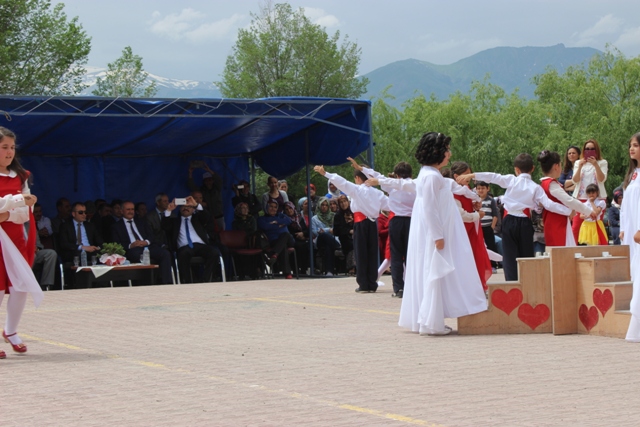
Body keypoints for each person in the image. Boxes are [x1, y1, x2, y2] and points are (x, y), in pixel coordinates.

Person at [398, 132, 487, 335]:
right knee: (433, 271)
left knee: (432, 270)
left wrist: (472, 194)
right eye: (446, 150)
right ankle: (431, 321)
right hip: (433, 233)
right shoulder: (430, 176)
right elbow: (429, 207)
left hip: (431, 231)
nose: (449, 153)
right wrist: (438, 235)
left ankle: (429, 318)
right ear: (436, 152)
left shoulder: (431, 174)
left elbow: (451, 187)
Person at [457, 153, 572, 281]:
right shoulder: (535, 187)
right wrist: (568, 211)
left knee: (509, 258)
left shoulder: (511, 180)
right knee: (526, 258)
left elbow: (493, 177)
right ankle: (528, 287)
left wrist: (473, 175)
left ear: (516, 169)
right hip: (525, 223)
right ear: (533, 168)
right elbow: (549, 205)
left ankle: (511, 288)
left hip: (509, 221)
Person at [0, 127, 42, 358]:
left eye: (12, 148)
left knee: (20, 286)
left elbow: (25, 213)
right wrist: (14, 201)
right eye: (4, 147)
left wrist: (5, 213)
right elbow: (18, 202)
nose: (9, 152)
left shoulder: (21, 175)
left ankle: (11, 330)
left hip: (16, 237)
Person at [314, 164, 388, 292]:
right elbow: (391, 205)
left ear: (358, 178)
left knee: (361, 253)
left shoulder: (357, 190)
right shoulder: (378, 193)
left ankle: (364, 284)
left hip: (360, 223)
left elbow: (342, 182)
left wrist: (326, 173)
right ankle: (372, 283)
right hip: (372, 224)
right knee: (372, 252)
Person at [537, 150, 594, 247]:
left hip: (553, 221)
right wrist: (588, 211)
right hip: (557, 223)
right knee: (563, 252)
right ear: (556, 166)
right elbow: (569, 200)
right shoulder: (551, 184)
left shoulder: (544, 183)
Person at [111, 201, 173, 284]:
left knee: (165, 253)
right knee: (137, 255)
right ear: (122, 211)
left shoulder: (141, 221)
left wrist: (146, 242)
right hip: (133, 249)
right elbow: (117, 243)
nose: (130, 211)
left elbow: (151, 235)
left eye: (132, 209)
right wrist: (131, 245)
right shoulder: (116, 226)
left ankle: (166, 283)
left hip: (147, 246)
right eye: (128, 209)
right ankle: (144, 283)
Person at [163, 196, 219, 284]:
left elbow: (207, 216)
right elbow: (165, 226)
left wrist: (196, 205)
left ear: (193, 210)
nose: (186, 208)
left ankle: (205, 280)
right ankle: (187, 282)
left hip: (200, 245)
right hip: (184, 247)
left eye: (189, 207)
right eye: (183, 206)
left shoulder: (198, 219)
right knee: (184, 254)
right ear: (180, 208)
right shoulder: (174, 221)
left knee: (214, 253)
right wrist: (169, 210)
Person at [621, 132, 640, 342]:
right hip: (632, 234)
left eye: (635, 145)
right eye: (630, 146)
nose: (631, 149)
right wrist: (624, 228)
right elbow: (627, 204)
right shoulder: (634, 174)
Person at [571, 139, 608, 243]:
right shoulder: (579, 162)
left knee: (597, 225)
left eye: (592, 149)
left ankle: (600, 251)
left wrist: (596, 165)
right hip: (581, 198)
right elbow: (575, 180)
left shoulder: (602, 162)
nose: (589, 150)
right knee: (576, 227)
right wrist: (580, 167)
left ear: (596, 150)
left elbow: (602, 179)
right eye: (587, 149)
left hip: (598, 198)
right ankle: (573, 251)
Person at [257, 200, 294, 279]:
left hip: (289, 240)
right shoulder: (261, 219)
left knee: (286, 235)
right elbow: (265, 227)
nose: (273, 209)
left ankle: (274, 254)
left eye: (275, 207)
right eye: (271, 206)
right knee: (282, 246)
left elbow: (288, 221)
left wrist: (275, 222)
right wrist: (279, 225)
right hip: (274, 241)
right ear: (266, 207)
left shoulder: (280, 215)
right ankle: (287, 273)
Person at [188, 163, 225, 232]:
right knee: (209, 232)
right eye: (206, 180)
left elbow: (219, 180)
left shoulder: (217, 189)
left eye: (210, 180)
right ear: (204, 182)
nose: (208, 182)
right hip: (208, 216)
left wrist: (209, 170)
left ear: (213, 180)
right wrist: (190, 173)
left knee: (221, 233)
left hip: (219, 215)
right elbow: (192, 186)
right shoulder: (202, 190)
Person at [309, 197, 340, 276]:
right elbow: (315, 232)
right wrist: (328, 230)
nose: (324, 207)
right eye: (322, 205)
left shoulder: (334, 216)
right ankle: (337, 246)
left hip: (331, 239)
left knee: (328, 246)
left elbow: (336, 230)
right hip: (319, 240)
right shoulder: (314, 219)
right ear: (319, 205)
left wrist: (323, 230)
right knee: (324, 235)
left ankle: (329, 271)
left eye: (326, 205)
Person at [475, 181, 499, 272]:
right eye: (478, 188)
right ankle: (481, 265)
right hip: (478, 228)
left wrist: (492, 227)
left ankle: (493, 265)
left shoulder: (491, 200)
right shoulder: (474, 200)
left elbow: (495, 215)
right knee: (479, 246)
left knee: (490, 246)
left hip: (488, 227)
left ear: (487, 189)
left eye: (483, 188)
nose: (480, 190)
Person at [283, 201, 311, 275]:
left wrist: (303, 234)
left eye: (290, 208)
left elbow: (306, 229)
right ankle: (296, 269)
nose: (289, 210)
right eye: (286, 209)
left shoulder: (299, 217)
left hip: (302, 238)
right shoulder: (285, 219)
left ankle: (304, 269)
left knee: (306, 246)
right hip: (292, 239)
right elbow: (287, 232)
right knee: (298, 246)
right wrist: (298, 235)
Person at [332, 195, 355, 276]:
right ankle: (351, 267)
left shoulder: (353, 213)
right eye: (341, 202)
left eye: (345, 201)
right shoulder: (338, 215)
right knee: (351, 245)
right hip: (345, 238)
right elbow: (336, 231)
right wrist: (349, 231)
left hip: (355, 236)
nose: (343, 204)